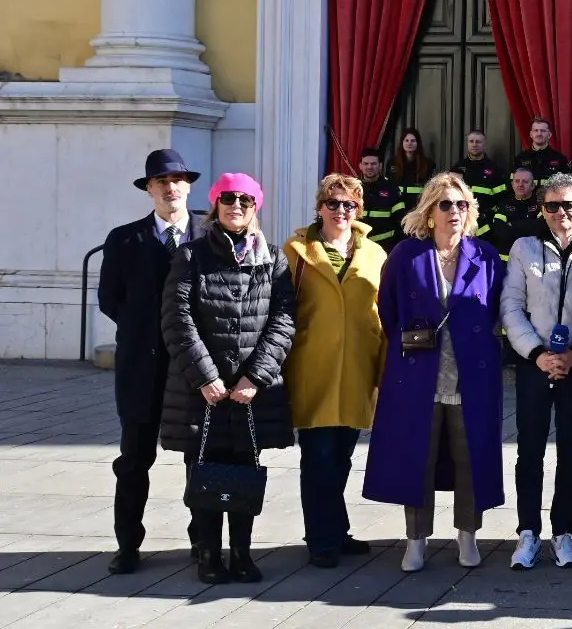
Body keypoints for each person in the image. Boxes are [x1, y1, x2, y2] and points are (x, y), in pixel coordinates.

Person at [363, 172, 506, 573]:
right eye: (446, 204)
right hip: (418, 375)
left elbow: (496, 308)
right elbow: (388, 309)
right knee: (417, 458)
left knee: (470, 458)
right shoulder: (406, 255)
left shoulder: (485, 256)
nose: (454, 211)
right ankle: (416, 539)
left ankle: (467, 535)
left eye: (462, 204)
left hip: (471, 376)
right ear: (429, 212)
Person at [160, 173, 296, 584]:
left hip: (249, 392)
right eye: (228, 198)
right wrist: (205, 377)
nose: (236, 206)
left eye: (245, 200)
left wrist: (256, 376)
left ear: (256, 207)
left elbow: (284, 320)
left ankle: (241, 553)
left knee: (243, 470)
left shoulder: (273, 259)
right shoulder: (191, 256)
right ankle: (208, 554)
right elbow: (177, 320)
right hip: (201, 390)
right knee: (202, 468)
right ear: (216, 205)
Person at [99, 149, 209, 573]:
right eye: (161, 181)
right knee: (133, 460)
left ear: (189, 186)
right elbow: (110, 299)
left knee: (199, 457)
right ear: (149, 189)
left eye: (178, 180)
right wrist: (145, 330)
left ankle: (202, 541)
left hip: (196, 367)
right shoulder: (124, 239)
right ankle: (128, 545)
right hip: (141, 368)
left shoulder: (211, 233)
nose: (170, 188)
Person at [501, 174, 572, 571]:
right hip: (535, 363)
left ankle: (563, 531)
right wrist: (537, 353)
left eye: (568, 205)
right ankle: (528, 532)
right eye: (552, 206)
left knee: (571, 450)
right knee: (529, 449)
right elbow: (512, 306)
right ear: (541, 209)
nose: (560, 212)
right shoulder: (524, 248)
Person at [282, 174, 388, 568]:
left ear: (358, 209)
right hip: (314, 366)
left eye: (349, 204)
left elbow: (383, 311)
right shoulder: (295, 251)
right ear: (319, 208)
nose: (341, 211)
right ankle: (321, 539)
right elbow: (282, 310)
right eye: (333, 203)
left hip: (359, 366)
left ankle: (336, 530)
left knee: (342, 455)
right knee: (318, 457)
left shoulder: (375, 253)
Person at [357, 148, 405, 251]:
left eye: (373, 164)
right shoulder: (352, 188)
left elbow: (400, 221)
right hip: (358, 247)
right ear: (360, 166)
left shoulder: (391, 188)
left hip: (384, 247)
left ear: (380, 166)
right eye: (366, 163)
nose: (369, 167)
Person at [488, 166, 542, 256]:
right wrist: (528, 225)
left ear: (533, 186)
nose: (520, 185)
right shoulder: (504, 204)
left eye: (525, 181)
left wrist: (511, 225)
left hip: (532, 257)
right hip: (506, 259)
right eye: (517, 181)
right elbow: (499, 230)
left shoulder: (540, 205)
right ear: (512, 185)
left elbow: (539, 229)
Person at [452, 128, 507, 210]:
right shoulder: (457, 168)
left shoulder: (494, 170)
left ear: (484, 144)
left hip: (485, 215)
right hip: (463, 214)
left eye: (478, 142)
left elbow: (502, 199)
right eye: (471, 141)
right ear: (467, 143)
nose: (474, 144)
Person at [391, 128, 436, 204]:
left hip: (418, 205)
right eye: (406, 140)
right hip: (397, 205)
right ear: (402, 143)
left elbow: (432, 189)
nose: (409, 143)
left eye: (413, 141)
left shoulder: (428, 164)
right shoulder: (392, 163)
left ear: (418, 143)